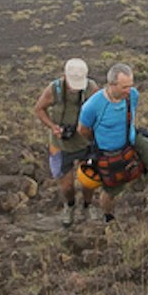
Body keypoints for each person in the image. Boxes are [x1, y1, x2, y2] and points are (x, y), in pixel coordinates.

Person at [76, 62, 148, 217]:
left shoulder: (133, 95)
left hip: (132, 141)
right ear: (111, 85)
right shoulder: (92, 106)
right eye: (124, 87)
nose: (129, 90)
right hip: (108, 153)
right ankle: (109, 217)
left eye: (130, 85)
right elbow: (83, 130)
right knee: (110, 193)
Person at [33, 57, 95, 221]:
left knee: (88, 182)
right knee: (67, 186)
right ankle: (70, 206)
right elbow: (39, 109)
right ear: (65, 76)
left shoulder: (91, 89)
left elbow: (100, 113)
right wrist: (53, 127)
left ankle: (87, 207)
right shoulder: (54, 89)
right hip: (61, 145)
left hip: (85, 143)